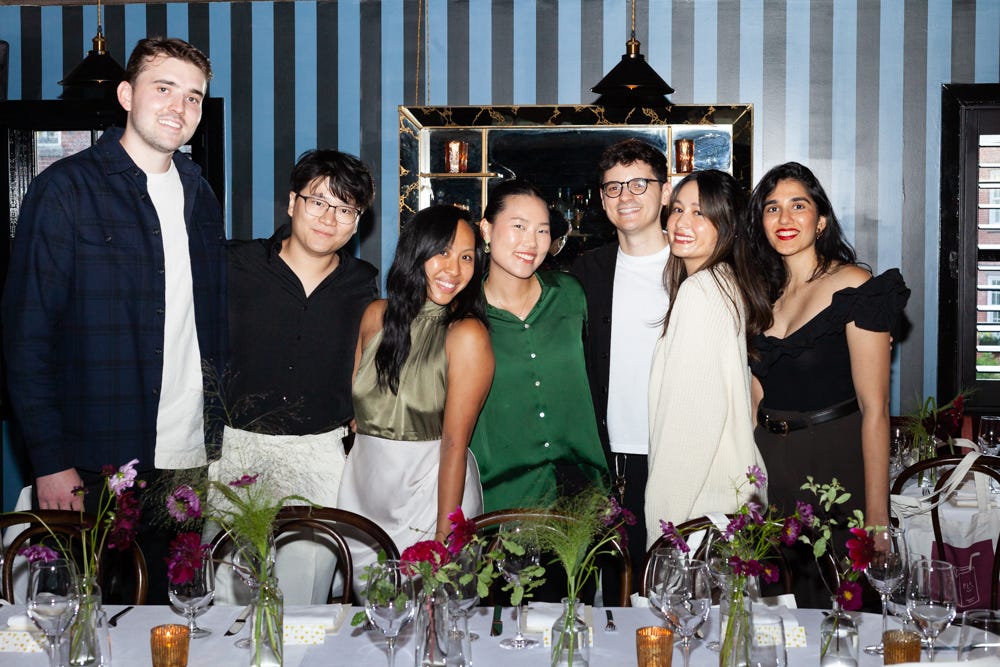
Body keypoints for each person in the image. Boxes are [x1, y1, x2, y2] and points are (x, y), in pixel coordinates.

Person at [2, 37, 225, 603]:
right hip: (93, 460)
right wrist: (50, 462)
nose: (179, 107)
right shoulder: (64, 190)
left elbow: (207, 324)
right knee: (87, 622)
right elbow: (26, 338)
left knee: (172, 620)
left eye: (194, 97)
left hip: (186, 458)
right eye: (164, 88)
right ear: (126, 95)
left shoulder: (201, 196)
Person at [221, 149, 377, 604]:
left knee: (305, 601)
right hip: (237, 450)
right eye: (318, 201)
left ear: (357, 222)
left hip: (319, 452)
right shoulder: (235, 263)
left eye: (345, 209)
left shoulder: (363, 283)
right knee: (228, 602)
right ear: (293, 202)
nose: (329, 218)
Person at [747, 162, 909, 568]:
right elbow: (754, 399)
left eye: (798, 206)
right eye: (772, 208)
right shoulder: (760, 295)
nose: (784, 218)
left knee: (834, 594)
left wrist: (877, 519)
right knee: (776, 596)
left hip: (833, 462)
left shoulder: (855, 286)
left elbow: (875, 409)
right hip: (770, 466)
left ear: (820, 221)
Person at [338, 205, 493, 566]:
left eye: (466, 257)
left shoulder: (466, 334)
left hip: (431, 495)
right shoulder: (375, 316)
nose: (454, 270)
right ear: (416, 252)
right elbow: (357, 414)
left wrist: (444, 534)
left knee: (429, 599)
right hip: (363, 493)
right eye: (443, 252)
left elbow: (454, 445)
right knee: (367, 602)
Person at [645, 170, 772, 541]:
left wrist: (662, 531)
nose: (682, 222)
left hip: (700, 511)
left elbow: (688, 429)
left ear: (728, 225)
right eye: (678, 209)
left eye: (699, 212)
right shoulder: (726, 283)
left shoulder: (702, 292)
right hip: (727, 503)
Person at [470, 180, 608, 513]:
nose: (531, 242)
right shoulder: (464, 318)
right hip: (499, 502)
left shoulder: (571, 295)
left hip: (582, 496)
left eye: (542, 230)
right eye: (519, 226)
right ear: (486, 230)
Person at [570, 138, 671, 580]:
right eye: (614, 187)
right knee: (613, 589)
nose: (625, 196)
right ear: (602, 199)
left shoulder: (695, 265)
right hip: (606, 460)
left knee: (676, 585)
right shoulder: (584, 272)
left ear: (665, 192)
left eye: (638, 184)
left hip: (676, 453)